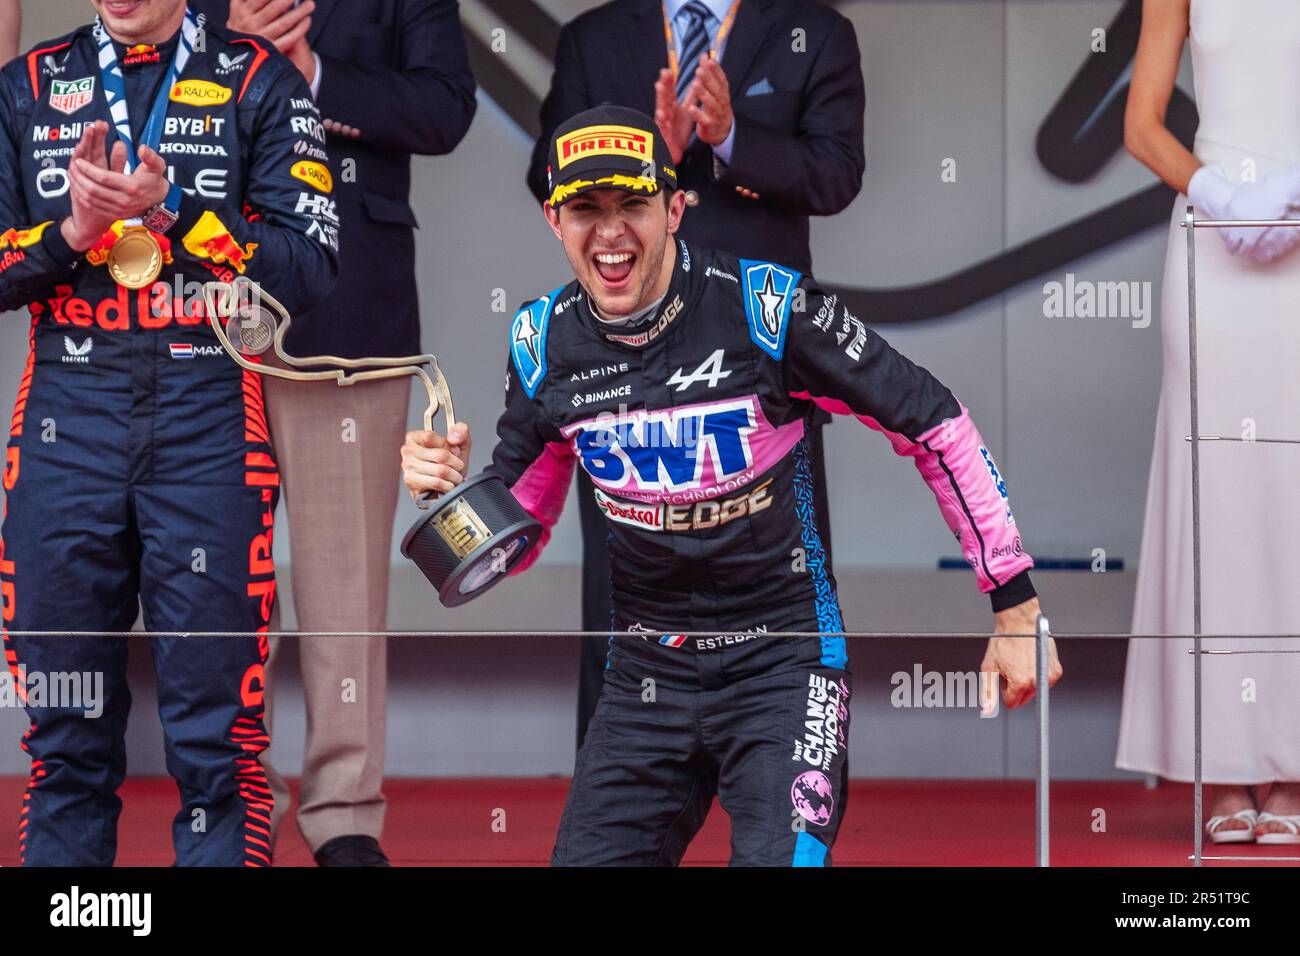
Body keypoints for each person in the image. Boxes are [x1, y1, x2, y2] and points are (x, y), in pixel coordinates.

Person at [403, 106, 1060, 865]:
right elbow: (514, 531)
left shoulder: (767, 308)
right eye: (585, 208)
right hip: (646, 675)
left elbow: (933, 421)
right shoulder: (541, 341)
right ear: (554, 220)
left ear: (676, 207)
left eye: (633, 205)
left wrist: (1015, 604)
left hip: (783, 664)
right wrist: (443, 494)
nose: (610, 232)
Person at [0, 0, 337, 866]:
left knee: (217, 742)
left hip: (211, 420)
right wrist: (74, 233)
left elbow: (309, 269)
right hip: (64, 428)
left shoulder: (260, 80)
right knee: (64, 733)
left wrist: (175, 212)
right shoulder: (29, 86)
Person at [527, 0, 866, 747]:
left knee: (794, 585)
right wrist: (654, 151)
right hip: (621, 358)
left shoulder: (815, 28)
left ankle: (790, 782)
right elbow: (542, 175)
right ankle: (614, 795)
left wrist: (730, 137)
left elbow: (838, 175)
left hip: (764, 362)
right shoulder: (593, 37)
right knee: (619, 595)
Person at [192, 0, 477, 869]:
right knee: (204, 570)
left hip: (354, 303)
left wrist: (314, 74)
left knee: (345, 576)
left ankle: (344, 812)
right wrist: (229, 53)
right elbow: (133, 97)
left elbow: (444, 108)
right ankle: (228, 800)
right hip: (200, 303)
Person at [1117, 0, 1300, 844]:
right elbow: (1142, 124)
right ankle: (1226, 769)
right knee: (1220, 500)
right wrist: (1219, 192)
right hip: (1212, 245)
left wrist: (1292, 188)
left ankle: (1292, 768)